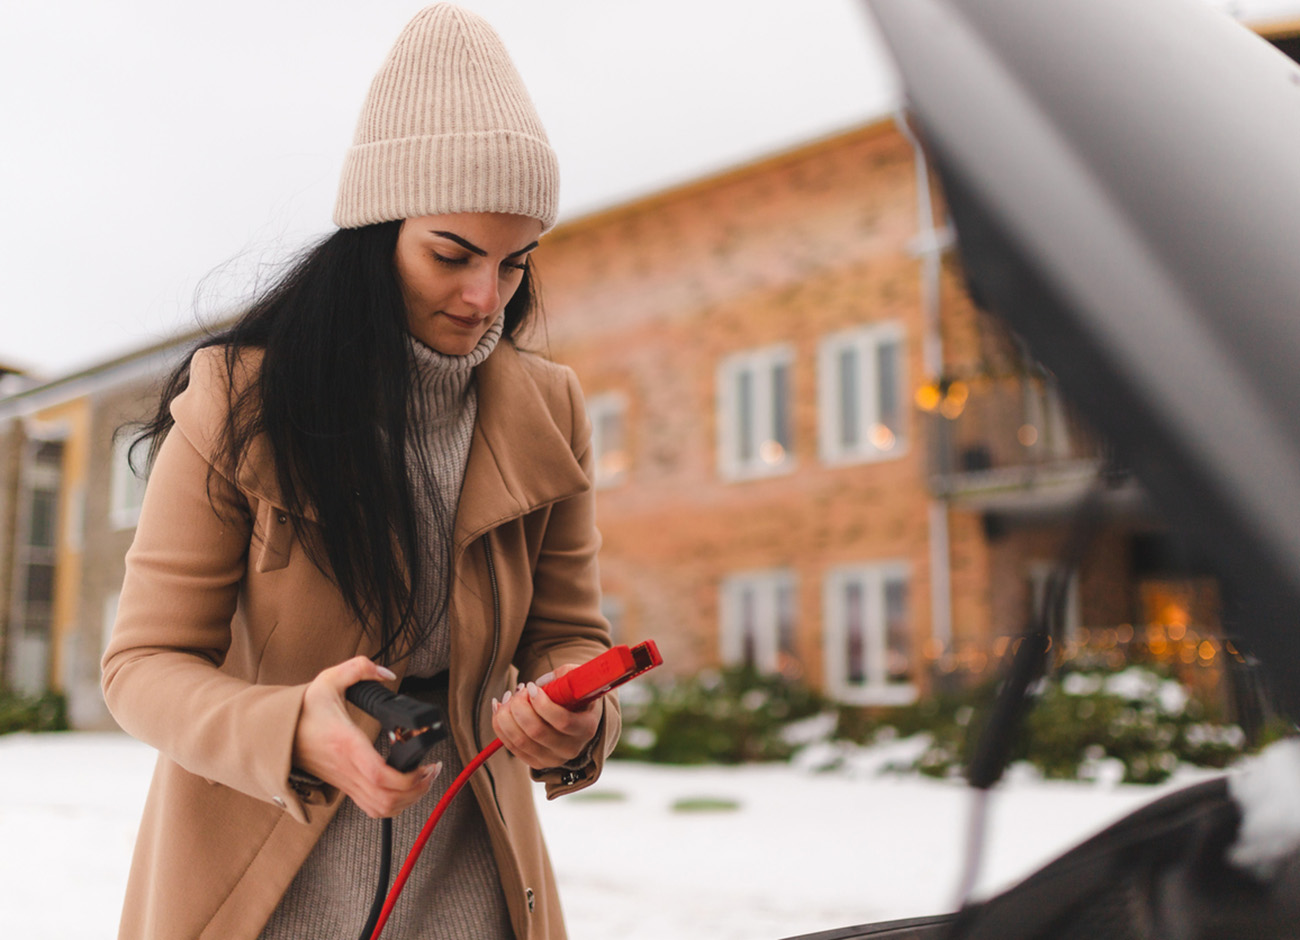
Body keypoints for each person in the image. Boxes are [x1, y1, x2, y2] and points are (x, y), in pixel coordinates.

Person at [100, 6, 619, 939]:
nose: (483, 298)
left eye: (513, 264)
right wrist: (297, 729)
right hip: (253, 882)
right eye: (451, 255)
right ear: (374, 236)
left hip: (476, 881)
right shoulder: (236, 398)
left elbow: (568, 634)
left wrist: (579, 715)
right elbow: (141, 667)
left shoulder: (553, 407)